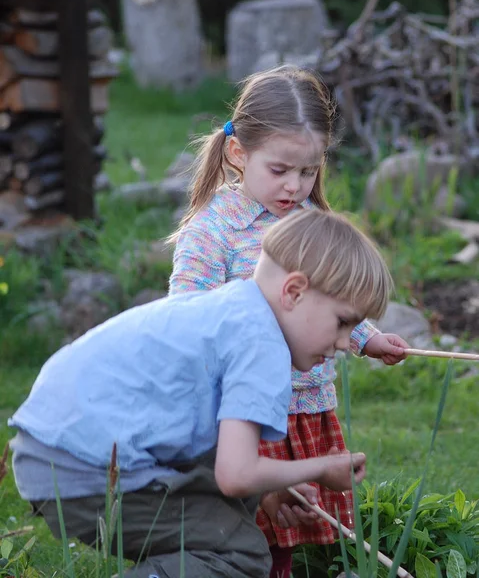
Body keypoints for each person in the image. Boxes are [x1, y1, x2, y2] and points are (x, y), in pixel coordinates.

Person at [9, 209, 391, 578]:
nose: (345, 343)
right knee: (240, 553)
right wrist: (321, 468)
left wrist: (274, 489)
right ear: (293, 292)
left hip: (54, 448)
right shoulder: (262, 344)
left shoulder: (233, 309)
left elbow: (220, 460)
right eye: (343, 322)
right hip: (84, 468)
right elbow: (235, 475)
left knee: (234, 513)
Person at [169, 65, 409, 578]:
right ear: (238, 153)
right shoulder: (214, 230)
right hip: (246, 409)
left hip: (304, 404)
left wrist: (367, 339)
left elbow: (332, 302)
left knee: (289, 530)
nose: (295, 186)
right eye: (280, 170)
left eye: (308, 171)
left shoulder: (307, 223)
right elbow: (185, 313)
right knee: (247, 525)